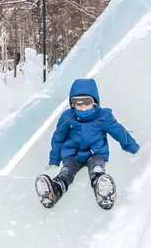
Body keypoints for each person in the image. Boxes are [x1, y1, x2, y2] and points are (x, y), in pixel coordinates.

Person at [35, 78, 139, 209]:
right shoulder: (68, 117)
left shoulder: (103, 116)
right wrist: (54, 159)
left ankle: (103, 190)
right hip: (73, 153)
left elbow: (119, 132)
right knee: (67, 171)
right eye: (78, 104)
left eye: (86, 103)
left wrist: (132, 147)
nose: (83, 108)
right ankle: (55, 190)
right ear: (72, 104)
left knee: (96, 167)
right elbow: (58, 138)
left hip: (96, 152)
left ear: (95, 102)